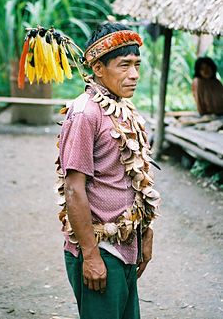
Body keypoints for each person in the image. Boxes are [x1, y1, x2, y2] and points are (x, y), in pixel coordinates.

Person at [56, 22, 161, 319]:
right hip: (100, 251)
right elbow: (74, 188)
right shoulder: (85, 113)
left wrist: (145, 233)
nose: (134, 74)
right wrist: (90, 254)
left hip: (127, 246)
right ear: (98, 69)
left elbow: (135, 180)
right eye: (124, 65)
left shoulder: (123, 109)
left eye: (137, 65)